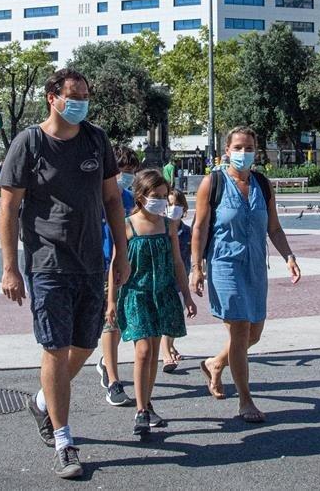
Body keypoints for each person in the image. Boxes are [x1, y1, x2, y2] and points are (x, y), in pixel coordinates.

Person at [0, 68, 131, 480]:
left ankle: (42, 401)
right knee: (55, 347)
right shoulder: (30, 143)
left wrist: (121, 254)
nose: (82, 103)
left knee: (86, 344)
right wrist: (10, 268)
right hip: (47, 261)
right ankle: (64, 440)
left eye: (86, 96)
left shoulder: (96, 139)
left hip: (91, 260)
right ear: (52, 97)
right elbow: (9, 209)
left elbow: (112, 199)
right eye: (74, 96)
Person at [191, 126, 302, 423]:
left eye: (249, 147)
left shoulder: (262, 185)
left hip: (255, 266)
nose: (244, 152)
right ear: (226, 150)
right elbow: (199, 228)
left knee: (254, 333)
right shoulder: (212, 183)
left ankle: (215, 363)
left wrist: (289, 256)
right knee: (239, 330)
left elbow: (274, 228)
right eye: (238, 147)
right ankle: (245, 400)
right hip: (224, 263)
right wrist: (196, 267)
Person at [113, 170, 196, 435]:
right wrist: (110, 303)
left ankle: (146, 403)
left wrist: (187, 294)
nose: (161, 201)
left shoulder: (167, 224)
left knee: (154, 350)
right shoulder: (128, 225)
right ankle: (140, 411)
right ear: (140, 196)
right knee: (144, 352)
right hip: (137, 294)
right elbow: (115, 266)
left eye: (164, 196)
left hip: (162, 294)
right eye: (155, 196)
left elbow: (177, 261)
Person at [96, 145, 138, 408]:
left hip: (123, 262)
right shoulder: (94, 195)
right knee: (109, 320)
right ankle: (113, 380)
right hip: (98, 262)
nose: (127, 176)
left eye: (132, 172)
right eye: (123, 171)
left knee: (118, 319)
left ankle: (107, 364)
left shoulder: (129, 199)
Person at [161, 189, 192, 372]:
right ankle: (166, 355)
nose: (173, 208)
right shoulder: (161, 229)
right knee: (168, 317)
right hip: (164, 280)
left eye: (177, 205)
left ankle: (170, 346)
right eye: (170, 204)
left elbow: (194, 254)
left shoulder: (187, 232)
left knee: (176, 316)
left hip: (181, 280)